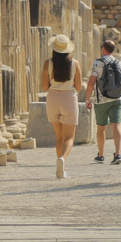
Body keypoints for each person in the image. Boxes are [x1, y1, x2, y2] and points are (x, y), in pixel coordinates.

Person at [41, 34, 82, 180]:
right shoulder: (74, 63)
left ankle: (60, 166)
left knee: (59, 137)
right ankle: (63, 159)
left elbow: (44, 86)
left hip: (53, 98)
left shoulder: (48, 63)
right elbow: (78, 86)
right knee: (69, 137)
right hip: (68, 98)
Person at [85, 39, 121, 165]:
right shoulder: (119, 62)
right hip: (117, 98)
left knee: (101, 128)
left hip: (101, 99)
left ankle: (101, 155)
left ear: (103, 49)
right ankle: (117, 154)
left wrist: (87, 99)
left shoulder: (98, 63)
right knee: (116, 125)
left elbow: (91, 82)